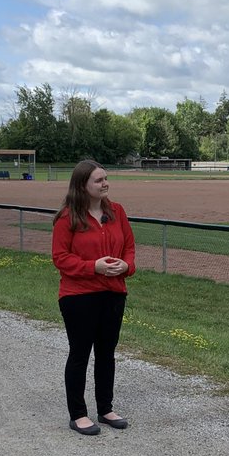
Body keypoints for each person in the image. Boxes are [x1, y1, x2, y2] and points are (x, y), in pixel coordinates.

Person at [52, 160, 136, 435]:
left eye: (106, 179)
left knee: (106, 353)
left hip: (112, 293)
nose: (105, 184)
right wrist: (93, 267)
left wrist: (127, 266)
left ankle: (105, 408)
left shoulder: (118, 212)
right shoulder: (68, 217)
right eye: (99, 180)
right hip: (79, 296)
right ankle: (78, 414)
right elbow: (60, 258)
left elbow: (129, 248)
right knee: (80, 354)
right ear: (82, 185)